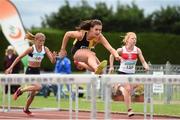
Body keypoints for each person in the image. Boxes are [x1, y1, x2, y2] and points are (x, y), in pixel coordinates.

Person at [5, 32, 56, 115]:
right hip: (30, 70)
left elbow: (52, 61)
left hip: (37, 71)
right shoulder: (31, 49)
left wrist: (54, 58)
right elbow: (19, 57)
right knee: (39, 87)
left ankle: (26, 109)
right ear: (35, 40)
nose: (41, 43)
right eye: (40, 41)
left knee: (33, 94)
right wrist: (10, 67)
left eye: (43, 41)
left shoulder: (45, 49)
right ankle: (20, 90)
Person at [108, 32, 149, 117]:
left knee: (131, 88)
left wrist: (146, 66)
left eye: (135, 39)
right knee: (128, 88)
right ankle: (129, 110)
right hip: (122, 73)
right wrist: (111, 66)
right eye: (132, 38)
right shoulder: (121, 50)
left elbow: (143, 61)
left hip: (131, 74)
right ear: (127, 40)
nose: (134, 40)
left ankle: (119, 86)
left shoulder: (137, 50)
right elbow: (112, 55)